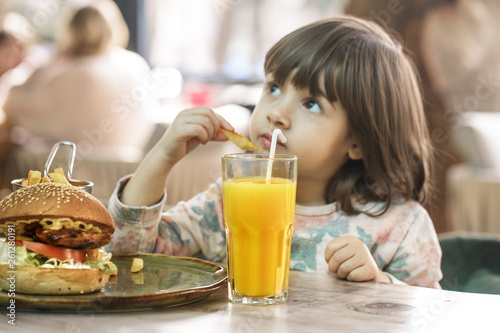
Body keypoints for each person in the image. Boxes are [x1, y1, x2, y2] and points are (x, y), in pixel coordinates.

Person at [106, 16, 443, 288]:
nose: (276, 113)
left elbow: (431, 314)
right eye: (274, 87)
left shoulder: (400, 227)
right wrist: (162, 158)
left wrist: (379, 282)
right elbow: (128, 256)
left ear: (357, 141)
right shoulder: (227, 202)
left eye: (311, 104)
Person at [3, 0, 155, 153]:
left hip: (69, 171)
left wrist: (50, 62)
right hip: (126, 171)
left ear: (70, 31)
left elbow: (10, 103)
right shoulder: (136, 64)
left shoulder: (65, 76)